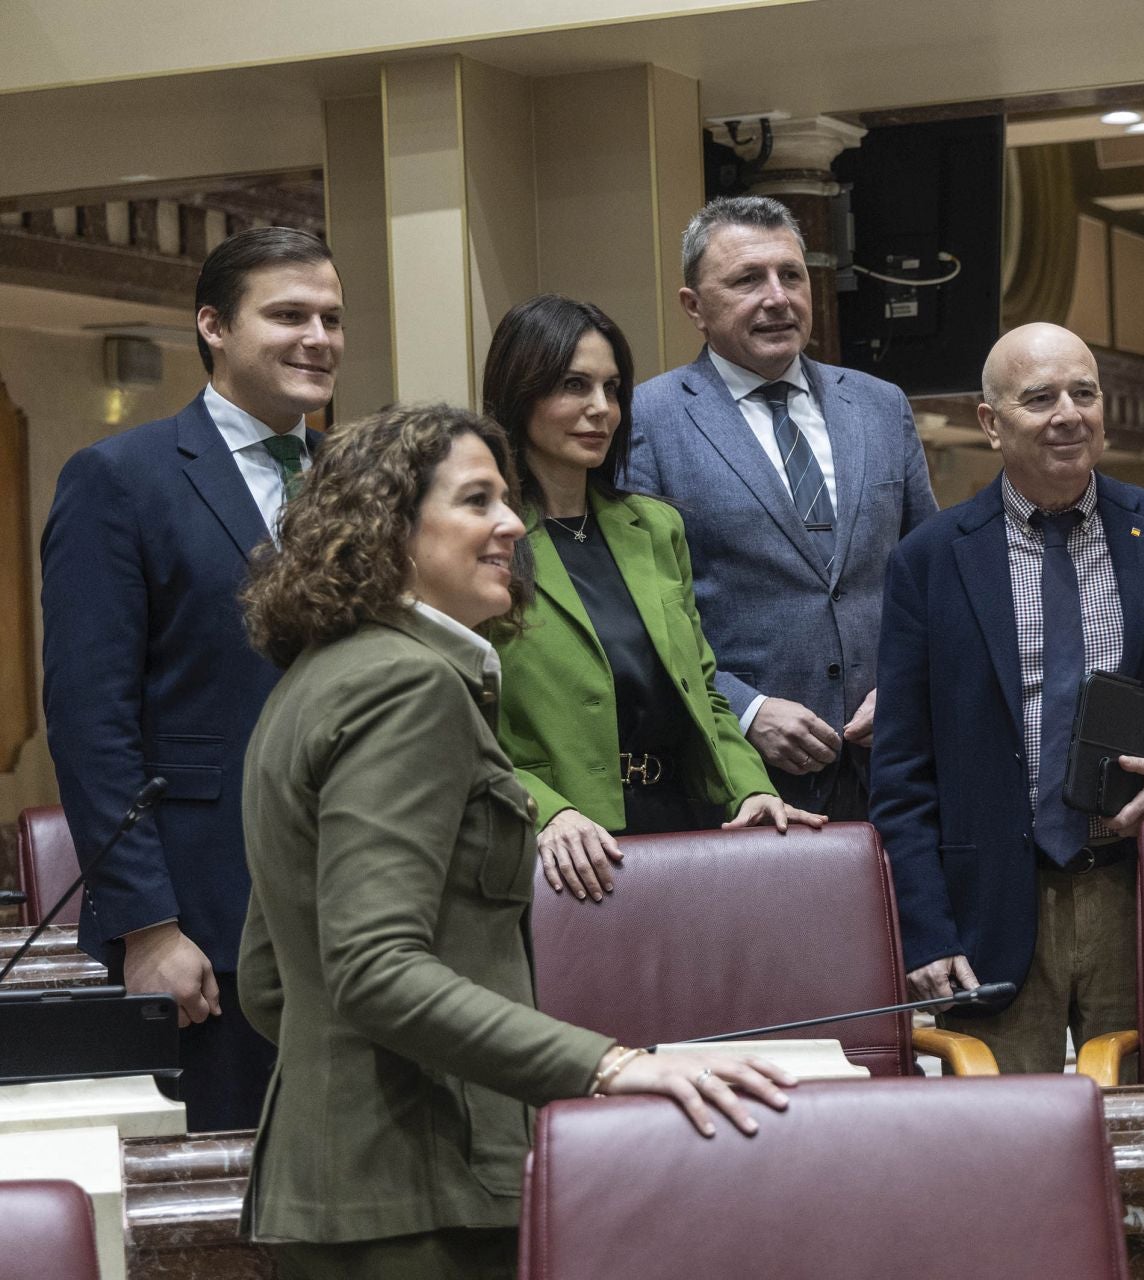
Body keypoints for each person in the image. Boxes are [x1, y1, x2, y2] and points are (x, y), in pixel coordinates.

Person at [235, 404, 792, 1280]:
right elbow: (374, 967)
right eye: (477, 501)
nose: (509, 525)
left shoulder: (319, 676)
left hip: (332, 1188)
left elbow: (272, 979)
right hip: (422, 1196)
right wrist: (607, 1065)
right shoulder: (408, 686)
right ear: (388, 527)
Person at [871, 322, 1144, 1075]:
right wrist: (925, 930)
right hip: (992, 905)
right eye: (1040, 397)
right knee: (1005, 1150)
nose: (1068, 414)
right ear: (991, 422)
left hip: (1143, 890)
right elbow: (901, 770)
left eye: (1084, 393)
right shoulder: (929, 562)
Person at [39, 226, 342, 1131]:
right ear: (213, 325)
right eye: (288, 315)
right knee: (234, 1178)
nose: (318, 338)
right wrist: (147, 927)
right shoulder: (119, 479)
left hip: (360, 885)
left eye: (332, 317)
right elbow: (92, 722)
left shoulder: (359, 477)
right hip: (207, 902)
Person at [482, 294, 823, 903]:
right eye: (573, 385)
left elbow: (705, 690)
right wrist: (546, 813)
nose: (600, 410)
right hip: (562, 846)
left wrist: (752, 789)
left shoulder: (653, 526)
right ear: (520, 393)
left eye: (612, 389)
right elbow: (463, 724)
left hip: (680, 823)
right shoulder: (485, 538)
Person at [624, 196, 938, 821]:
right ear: (694, 307)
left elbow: (931, 577)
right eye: (747, 279)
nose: (778, 297)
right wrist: (745, 709)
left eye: (791, 275)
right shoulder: (646, 422)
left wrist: (908, 685)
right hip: (743, 785)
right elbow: (643, 616)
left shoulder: (880, 407)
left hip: (895, 773)